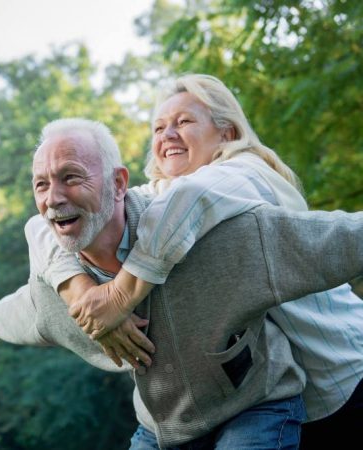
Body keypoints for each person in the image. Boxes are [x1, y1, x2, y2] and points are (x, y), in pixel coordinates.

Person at [0, 118, 363, 449]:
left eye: (71, 177)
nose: (53, 197)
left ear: (118, 183)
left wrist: (123, 294)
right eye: (41, 184)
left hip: (256, 407)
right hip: (165, 428)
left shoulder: (218, 240)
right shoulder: (62, 291)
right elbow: (22, 310)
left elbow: (331, 240)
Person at [55, 75, 363, 448]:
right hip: (287, 397)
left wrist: (117, 298)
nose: (167, 134)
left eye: (183, 122)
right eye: (158, 127)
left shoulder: (247, 174)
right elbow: (51, 224)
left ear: (227, 134)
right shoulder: (166, 195)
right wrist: (79, 292)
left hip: (343, 372)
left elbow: (192, 198)